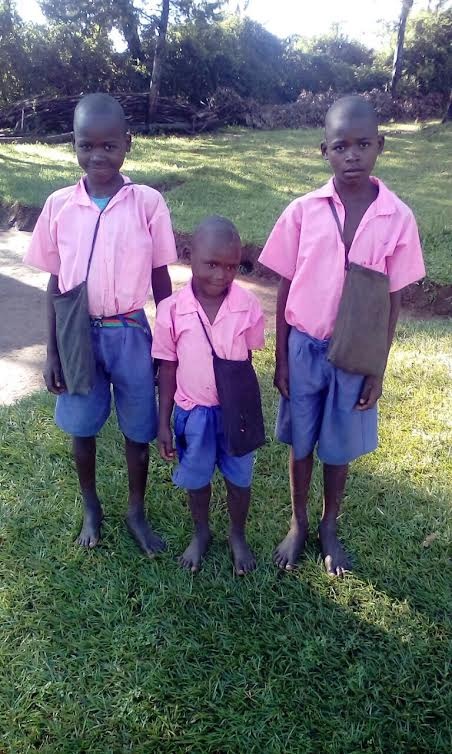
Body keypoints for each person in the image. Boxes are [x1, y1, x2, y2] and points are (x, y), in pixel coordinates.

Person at [259, 95, 425, 577]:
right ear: (324, 151)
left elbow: (392, 299)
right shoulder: (303, 211)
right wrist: (282, 358)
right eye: (340, 146)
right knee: (301, 443)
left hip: (354, 355)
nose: (352, 155)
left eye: (363, 144)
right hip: (304, 348)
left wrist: (377, 368)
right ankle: (298, 522)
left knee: (339, 446)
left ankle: (329, 525)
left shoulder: (397, 217)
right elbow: (285, 285)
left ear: (381, 145)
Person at [23, 93, 178, 555]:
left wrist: (168, 343)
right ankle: (92, 506)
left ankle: (136, 510)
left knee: (138, 429)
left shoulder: (147, 203)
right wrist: (52, 351)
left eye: (109, 146)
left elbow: (161, 278)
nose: (98, 156)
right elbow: (56, 283)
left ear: (127, 143)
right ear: (73, 144)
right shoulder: (59, 206)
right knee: (82, 426)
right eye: (86, 145)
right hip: (78, 336)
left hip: (132, 333)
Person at [152, 215, 265, 574]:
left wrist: (241, 406)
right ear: (189, 255)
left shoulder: (248, 306)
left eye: (231, 266)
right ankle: (201, 531)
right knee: (197, 478)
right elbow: (167, 367)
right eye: (212, 264)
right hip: (193, 413)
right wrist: (164, 423)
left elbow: (246, 360)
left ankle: (237, 534)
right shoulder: (171, 310)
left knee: (239, 479)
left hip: (235, 412)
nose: (221, 274)